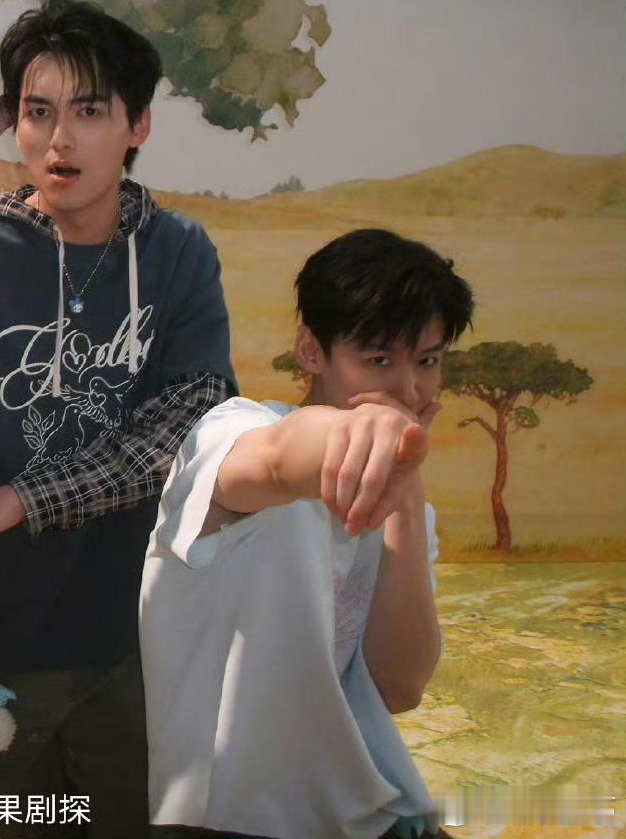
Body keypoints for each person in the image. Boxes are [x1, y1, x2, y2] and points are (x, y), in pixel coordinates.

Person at [0, 0, 235, 836]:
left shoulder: (178, 255)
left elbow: (186, 431)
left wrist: (21, 500)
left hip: (126, 642)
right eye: (38, 112)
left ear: (138, 125)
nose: (60, 138)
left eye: (89, 111)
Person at [140, 228, 474, 839]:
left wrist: (405, 487)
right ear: (311, 350)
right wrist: (358, 432)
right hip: (225, 817)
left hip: (367, 812)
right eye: (379, 360)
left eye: (427, 360)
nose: (408, 389)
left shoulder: (411, 510)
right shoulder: (232, 432)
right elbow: (276, 460)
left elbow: (400, 688)